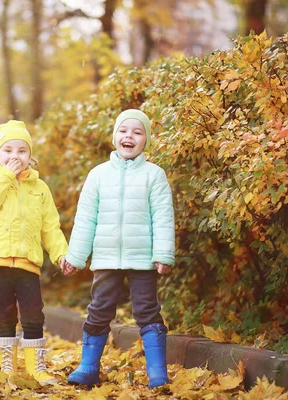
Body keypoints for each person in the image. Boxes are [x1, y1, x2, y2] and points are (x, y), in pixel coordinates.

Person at [61, 109, 175, 388]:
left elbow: (163, 216)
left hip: (143, 259)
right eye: (124, 131)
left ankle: (157, 373)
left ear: (145, 140)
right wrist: (75, 256)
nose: (129, 136)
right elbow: (86, 218)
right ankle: (88, 367)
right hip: (106, 257)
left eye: (137, 132)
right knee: (99, 309)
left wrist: (163, 254)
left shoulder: (154, 175)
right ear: (115, 137)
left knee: (147, 311)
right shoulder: (98, 175)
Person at [0, 120, 68, 385]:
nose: (15, 156)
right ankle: (7, 366)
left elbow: (50, 227)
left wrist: (61, 255)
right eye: (8, 150)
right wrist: (5, 176)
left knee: (33, 313)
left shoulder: (39, 188)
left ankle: (35, 367)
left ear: (30, 157)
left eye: (22, 151)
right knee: (3, 313)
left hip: (27, 262)